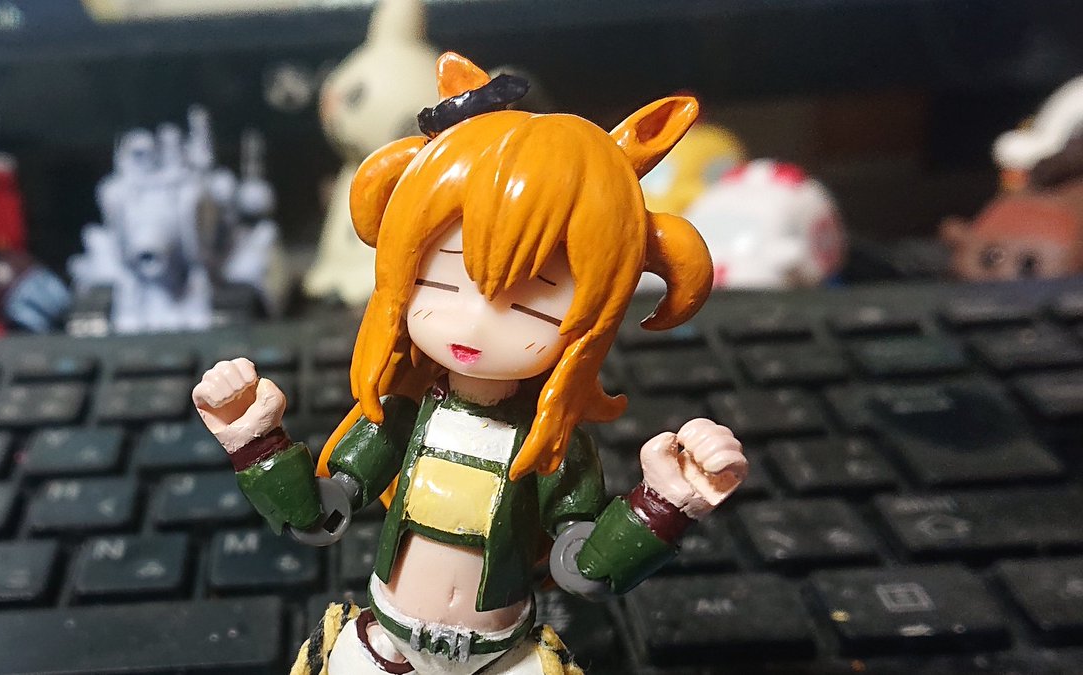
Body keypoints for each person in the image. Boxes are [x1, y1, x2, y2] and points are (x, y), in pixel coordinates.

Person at [193, 52, 747, 675]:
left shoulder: (553, 449)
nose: (475, 322)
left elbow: (584, 568)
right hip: (386, 647)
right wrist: (255, 442)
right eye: (441, 280)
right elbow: (317, 517)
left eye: (533, 298)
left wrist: (666, 503)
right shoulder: (398, 419)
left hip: (503, 655)